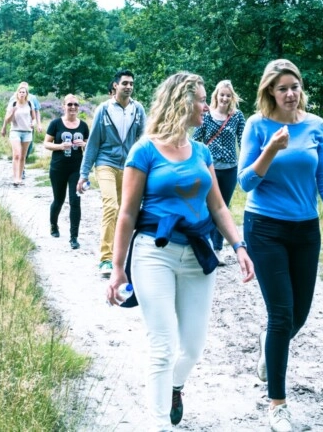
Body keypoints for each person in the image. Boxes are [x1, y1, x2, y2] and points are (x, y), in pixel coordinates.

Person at [106, 72, 255, 431]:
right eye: (202, 99)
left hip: (197, 254)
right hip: (153, 253)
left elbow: (218, 207)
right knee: (163, 345)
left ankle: (175, 387)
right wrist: (117, 268)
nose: (207, 106)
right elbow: (126, 213)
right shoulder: (144, 151)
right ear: (181, 102)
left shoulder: (201, 151)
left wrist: (239, 246)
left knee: (191, 348)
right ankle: (159, 425)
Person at [238, 59, 323, 432]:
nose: (290, 93)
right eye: (282, 87)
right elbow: (245, 183)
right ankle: (277, 404)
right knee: (282, 313)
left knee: (299, 314)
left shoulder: (316, 125)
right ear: (270, 90)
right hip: (265, 228)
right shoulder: (257, 125)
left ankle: (270, 344)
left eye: (295, 86)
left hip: (306, 230)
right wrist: (270, 149)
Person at [78, 69, 147, 277]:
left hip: (128, 167)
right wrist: (84, 173)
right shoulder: (104, 109)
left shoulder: (138, 110)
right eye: (125, 83)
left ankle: (119, 256)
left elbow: (143, 142)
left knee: (124, 211)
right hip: (105, 163)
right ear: (115, 85)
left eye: (131, 84)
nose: (128, 87)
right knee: (111, 206)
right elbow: (93, 143)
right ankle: (106, 259)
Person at [192, 79, 246, 259]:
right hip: (209, 167)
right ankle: (204, 242)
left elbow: (243, 141)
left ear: (232, 98)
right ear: (216, 95)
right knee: (207, 206)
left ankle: (218, 248)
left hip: (230, 168)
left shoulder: (237, 116)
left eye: (228, 96)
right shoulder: (206, 116)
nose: (224, 98)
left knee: (223, 206)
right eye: (222, 95)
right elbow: (196, 139)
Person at [44, 94, 89, 248]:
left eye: (76, 104)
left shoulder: (83, 125)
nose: (73, 107)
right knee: (59, 200)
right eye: (69, 104)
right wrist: (60, 146)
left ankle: (74, 237)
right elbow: (46, 143)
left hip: (76, 169)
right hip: (58, 168)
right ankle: (54, 225)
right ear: (64, 106)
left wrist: (83, 143)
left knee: (75, 201)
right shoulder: (55, 123)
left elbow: (90, 145)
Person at [1, 82, 38, 186]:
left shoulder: (30, 103)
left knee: (23, 156)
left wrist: (33, 124)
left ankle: (20, 177)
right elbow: (7, 120)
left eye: (24, 92)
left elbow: (34, 118)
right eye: (20, 92)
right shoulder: (13, 104)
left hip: (27, 132)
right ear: (17, 93)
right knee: (16, 154)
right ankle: (15, 178)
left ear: (26, 94)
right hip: (15, 131)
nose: (22, 93)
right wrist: (12, 112)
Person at [8, 82, 42, 179]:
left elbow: (37, 111)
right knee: (17, 152)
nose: (23, 92)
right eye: (21, 89)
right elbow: (9, 112)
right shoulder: (13, 98)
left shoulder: (33, 99)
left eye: (25, 90)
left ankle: (22, 168)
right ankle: (18, 173)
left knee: (27, 150)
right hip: (16, 129)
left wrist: (38, 124)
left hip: (28, 127)